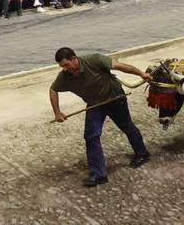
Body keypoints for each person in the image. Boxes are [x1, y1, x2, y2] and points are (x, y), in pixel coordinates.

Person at [49, 47, 151, 186]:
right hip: (95, 105)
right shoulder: (64, 76)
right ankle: (99, 174)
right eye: (62, 66)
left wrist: (141, 74)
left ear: (74, 58)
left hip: (115, 98)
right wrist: (57, 112)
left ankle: (142, 154)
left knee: (126, 126)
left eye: (66, 64)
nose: (65, 69)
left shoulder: (95, 60)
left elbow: (120, 66)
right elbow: (53, 89)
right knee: (91, 136)